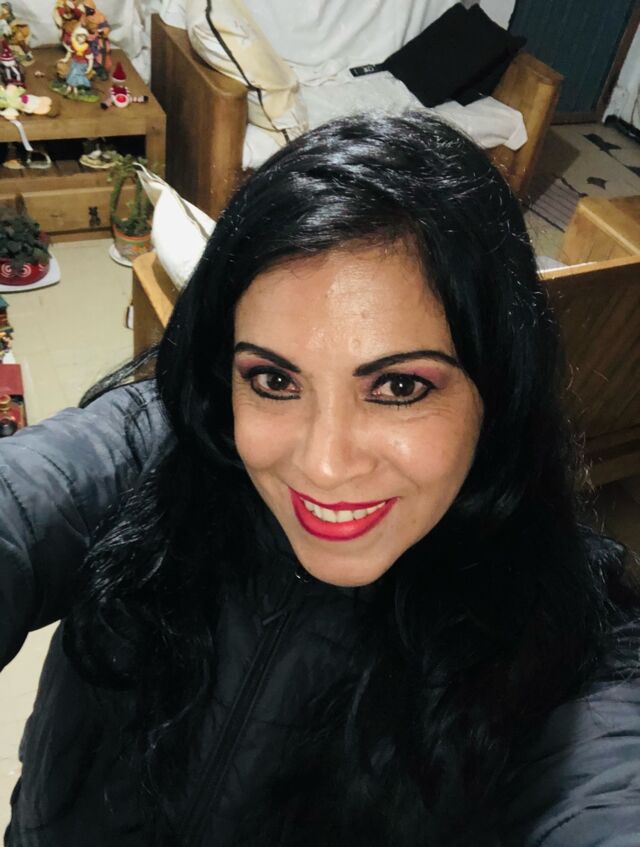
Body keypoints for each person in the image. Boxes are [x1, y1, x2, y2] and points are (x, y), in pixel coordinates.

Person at [1, 112, 639, 846]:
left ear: (498, 388)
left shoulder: (574, 644)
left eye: (399, 386)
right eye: (274, 380)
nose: (325, 464)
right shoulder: (152, 455)